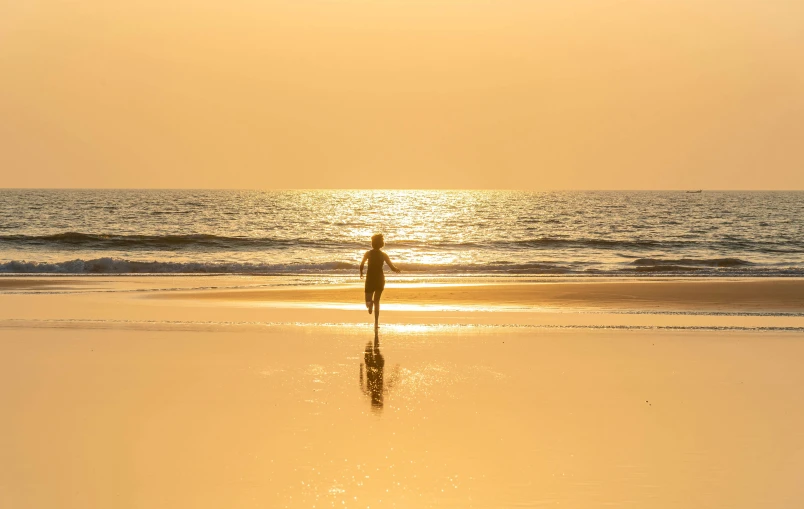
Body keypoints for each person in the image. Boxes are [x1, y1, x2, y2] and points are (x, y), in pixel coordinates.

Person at [359, 233, 401, 329]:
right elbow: (391, 267)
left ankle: (370, 304)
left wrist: (361, 273)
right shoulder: (383, 255)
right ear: (381, 244)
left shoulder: (368, 253)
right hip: (380, 279)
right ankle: (376, 323)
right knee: (377, 302)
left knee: (367, 301)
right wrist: (397, 270)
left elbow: (361, 264)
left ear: (372, 243)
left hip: (370, 279)